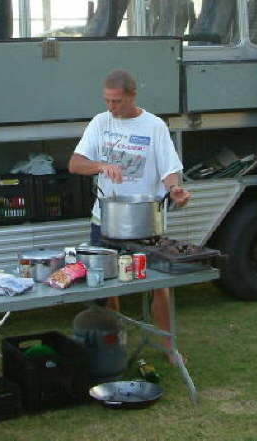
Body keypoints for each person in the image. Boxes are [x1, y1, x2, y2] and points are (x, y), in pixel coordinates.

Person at [68, 69, 190, 360]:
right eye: (108, 101)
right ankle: (114, 341)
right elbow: (75, 163)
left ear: (132, 96)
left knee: (159, 284)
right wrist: (99, 166)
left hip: (146, 222)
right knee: (108, 283)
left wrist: (175, 190)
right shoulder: (100, 123)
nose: (111, 107)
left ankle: (168, 346)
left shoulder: (154, 126)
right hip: (106, 220)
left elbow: (169, 170)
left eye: (117, 102)